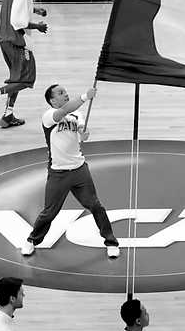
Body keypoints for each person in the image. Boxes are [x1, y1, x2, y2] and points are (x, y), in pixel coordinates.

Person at [20, 84, 120, 258]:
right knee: (49, 212)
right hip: (58, 173)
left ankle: (111, 242)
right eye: (60, 93)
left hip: (80, 170)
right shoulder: (49, 116)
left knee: (95, 206)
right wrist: (85, 97)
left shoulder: (76, 115)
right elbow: (64, 110)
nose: (65, 94)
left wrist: (83, 132)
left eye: (65, 91)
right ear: (52, 100)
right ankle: (32, 240)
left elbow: (80, 127)